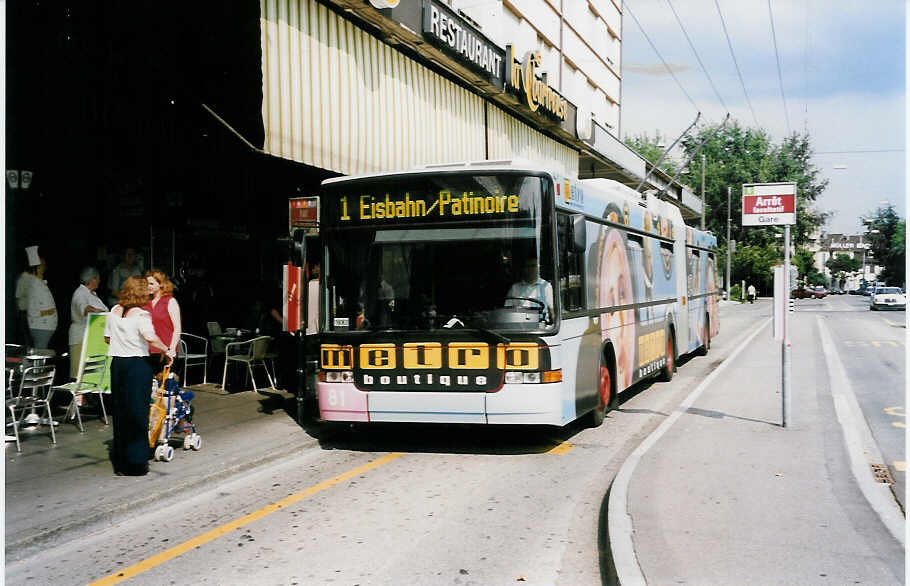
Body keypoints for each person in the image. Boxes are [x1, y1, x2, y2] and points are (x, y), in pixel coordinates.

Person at [105, 276, 174, 476]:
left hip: (117, 364)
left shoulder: (113, 312)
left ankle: (120, 462)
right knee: (137, 413)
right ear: (140, 293)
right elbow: (150, 337)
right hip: (137, 365)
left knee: (120, 412)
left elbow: (107, 338)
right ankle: (136, 463)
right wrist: (166, 349)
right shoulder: (142, 315)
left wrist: (123, 342)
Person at [68, 266, 109, 380]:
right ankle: (77, 397)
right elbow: (84, 308)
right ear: (92, 279)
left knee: (90, 373)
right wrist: (97, 311)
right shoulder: (80, 293)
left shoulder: (92, 294)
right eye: (98, 278)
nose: (99, 281)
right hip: (80, 338)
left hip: (93, 339)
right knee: (79, 373)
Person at [144, 270, 182, 375]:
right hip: (148, 351)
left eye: (151, 283)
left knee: (166, 385)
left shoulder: (170, 301)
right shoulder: (145, 302)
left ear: (160, 284)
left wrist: (172, 349)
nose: (148, 286)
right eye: (147, 283)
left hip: (166, 350)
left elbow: (177, 328)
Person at [505, 256, 554, 323]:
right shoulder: (515, 288)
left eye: (533, 266)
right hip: (521, 327)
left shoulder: (546, 286)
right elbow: (508, 310)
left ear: (538, 268)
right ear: (524, 269)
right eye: (528, 266)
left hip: (542, 327)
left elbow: (551, 309)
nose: (530, 269)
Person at [23, 256, 58, 350]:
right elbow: (31, 311)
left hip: (44, 328)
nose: (44, 266)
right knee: (39, 354)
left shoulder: (40, 283)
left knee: (40, 353)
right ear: (36, 268)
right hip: (40, 327)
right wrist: (47, 312)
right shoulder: (33, 284)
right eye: (42, 264)